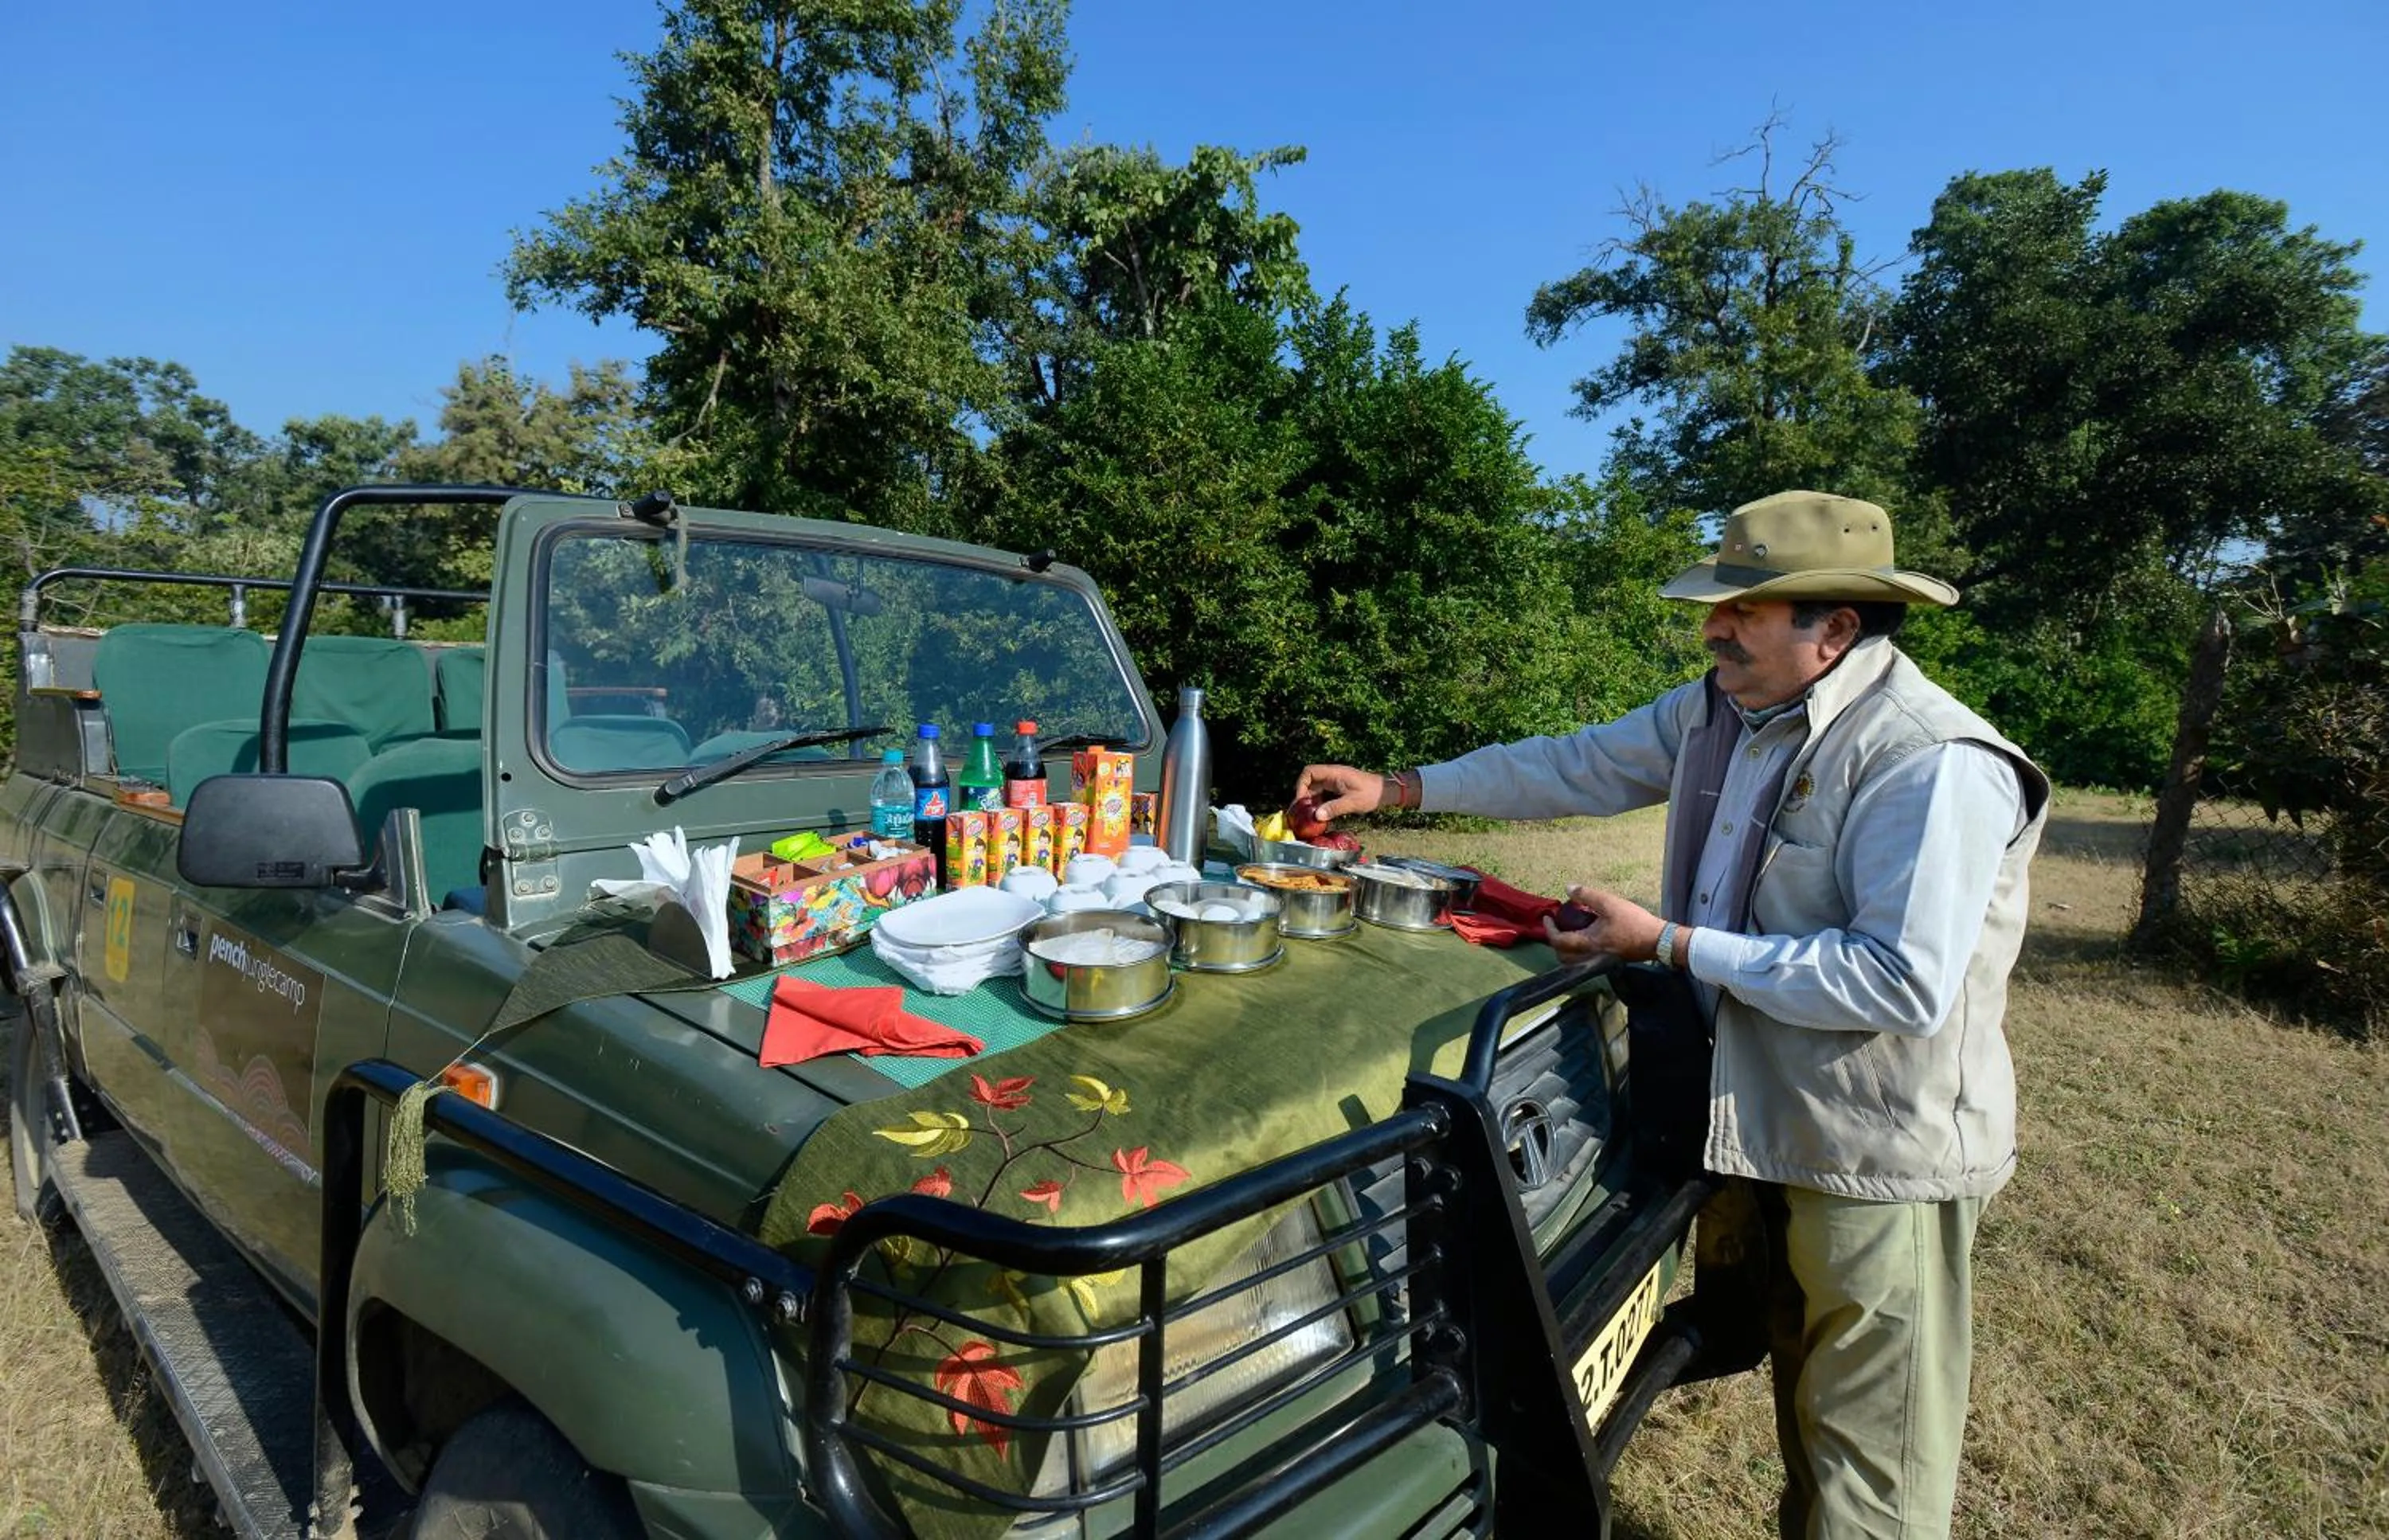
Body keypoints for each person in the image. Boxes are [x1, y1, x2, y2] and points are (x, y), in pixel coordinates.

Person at [1296, 490, 2050, 1540]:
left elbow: (1901, 980)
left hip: (1879, 1151)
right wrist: (1398, 788)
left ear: (1833, 630)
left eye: (1744, 609)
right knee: (1806, 1406)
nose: (1714, 628)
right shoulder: (1722, 712)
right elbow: (1573, 762)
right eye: (1718, 606)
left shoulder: (1930, 760)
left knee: (1874, 1466)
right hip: (1767, 1125)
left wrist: (1667, 943)